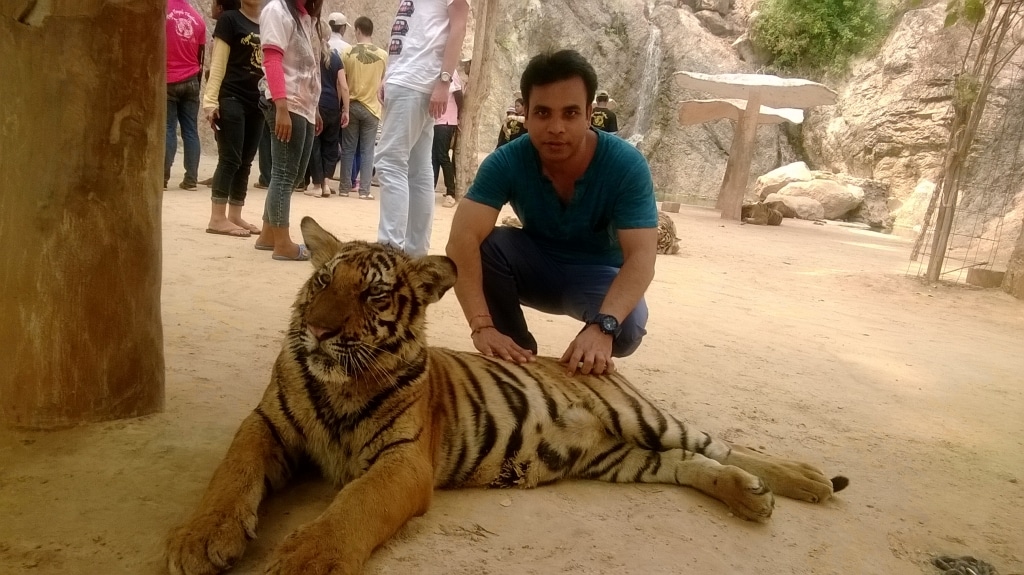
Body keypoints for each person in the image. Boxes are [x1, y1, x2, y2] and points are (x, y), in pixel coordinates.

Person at [445, 49, 658, 377]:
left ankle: (588, 347)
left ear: (589, 114)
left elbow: (642, 256)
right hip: (535, 265)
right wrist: (481, 326)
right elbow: (461, 241)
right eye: (543, 113)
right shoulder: (506, 161)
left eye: (570, 113)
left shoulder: (626, 165)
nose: (556, 127)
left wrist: (603, 327)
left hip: (597, 274)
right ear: (525, 114)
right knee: (486, 244)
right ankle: (513, 351)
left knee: (625, 328)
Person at [375, 0, 470, 257]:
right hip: (407, 77)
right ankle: (414, 254)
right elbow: (409, 33)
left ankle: (390, 249)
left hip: (415, 80)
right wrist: (388, 75)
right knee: (418, 169)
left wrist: (444, 80)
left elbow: (458, 27)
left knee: (390, 163)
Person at [253, 0, 324, 261]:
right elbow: (272, 59)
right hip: (286, 102)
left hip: (303, 104)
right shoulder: (277, 10)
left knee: (291, 176)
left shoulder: (305, 16)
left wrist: (314, 108)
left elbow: (309, 69)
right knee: (284, 174)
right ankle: (282, 243)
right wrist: (281, 106)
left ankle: (267, 234)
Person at [201, 0, 264, 237]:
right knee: (230, 158)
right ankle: (217, 218)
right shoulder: (230, 19)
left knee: (246, 161)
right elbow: (217, 63)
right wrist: (210, 102)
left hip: (257, 100)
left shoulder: (268, 22)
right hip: (232, 97)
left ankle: (235, 215)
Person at [339, 16, 388, 200]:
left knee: (348, 149)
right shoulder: (383, 55)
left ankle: (344, 188)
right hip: (372, 108)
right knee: (368, 150)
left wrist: (343, 108)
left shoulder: (347, 52)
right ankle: (364, 191)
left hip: (351, 105)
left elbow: (341, 81)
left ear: (358, 30)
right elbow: (383, 81)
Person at [165, 0, 207, 191]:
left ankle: (162, 178)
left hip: (168, 79)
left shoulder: (163, 12)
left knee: (168, 129)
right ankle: (191, 179)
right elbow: (201, 56)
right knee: (191, 131)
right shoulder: (198, 19)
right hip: (191, 80)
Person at [302, 40, 350, 198]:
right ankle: (326, 184)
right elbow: (343, 86)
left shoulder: (311, 55)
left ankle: (316, 185)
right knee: (330, 145)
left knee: (314, 145)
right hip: (332, 106)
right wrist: (345, 110)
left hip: (316, 104)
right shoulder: (336, 58)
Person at [433, 69, 463, 208]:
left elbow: (458, 94)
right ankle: (429, 189)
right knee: (433, 157)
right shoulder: (434, 67)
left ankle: (450, 192)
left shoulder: (450, 71)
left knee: (442, 156)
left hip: (446, 120)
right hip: (435, 120)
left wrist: (458, 116)